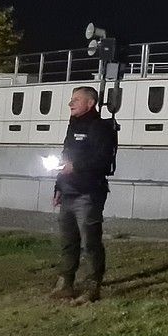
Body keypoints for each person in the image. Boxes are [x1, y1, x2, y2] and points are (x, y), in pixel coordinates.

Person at [49, 86, 118, 304]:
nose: (71, 103)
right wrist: (59, 187)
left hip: (88, 193)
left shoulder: (101, 128)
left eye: (76, 100)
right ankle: (65, 283)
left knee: (90, 243)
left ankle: (91, 287)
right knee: (68, 242)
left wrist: (76, 167)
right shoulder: (73, 126)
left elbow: (104, 161)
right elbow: (64, 159)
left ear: (90, 103)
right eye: (71, 99)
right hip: (69, 192)